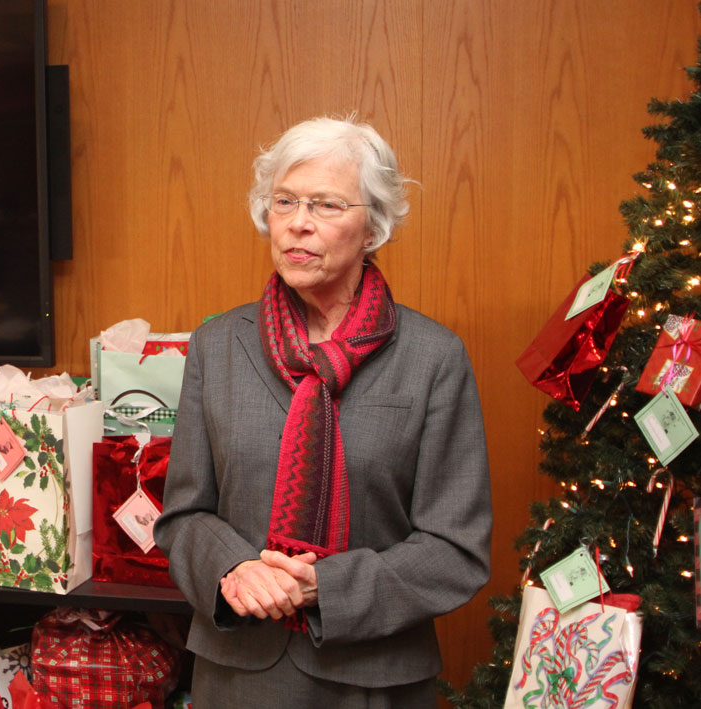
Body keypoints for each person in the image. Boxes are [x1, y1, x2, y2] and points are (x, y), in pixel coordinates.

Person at [152, 116, 492, 707]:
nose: (298, 223)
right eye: (284, 201)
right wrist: (235, 568)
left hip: (373, 676)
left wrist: (326, 587)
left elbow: (455, 549)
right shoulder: (218, 346)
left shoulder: (434, 358)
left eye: (327, 205)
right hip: (238, 673)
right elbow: (183, 514)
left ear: (373, 227)